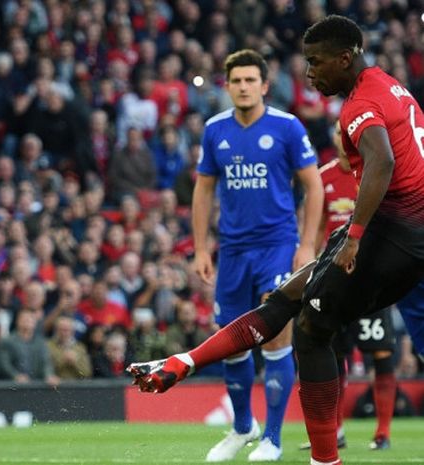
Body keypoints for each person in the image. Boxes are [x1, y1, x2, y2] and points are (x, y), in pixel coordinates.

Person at [129, 16, 424, 465]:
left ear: (345, 59)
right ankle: (183, 363)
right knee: (287, 298)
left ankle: (324, 459)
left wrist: (354, 237)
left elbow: (380, 161)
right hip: (400, 230)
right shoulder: (392, 87)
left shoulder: (359, 103)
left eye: (316, 63)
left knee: (310, 332)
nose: (308, 74)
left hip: (392, 231)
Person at [191, 48, 323, 462]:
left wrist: (305, 245)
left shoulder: (286, 127)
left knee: (275, 337)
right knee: (231, 343)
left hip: (277, 246)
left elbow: (313, 186)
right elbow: (203, 189)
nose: (244, 87)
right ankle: (242, 427)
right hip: (232, 250)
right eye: (236, 81)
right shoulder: (215, 130)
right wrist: (199, 247)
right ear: (227, 86)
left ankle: (273, 437)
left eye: (251, 80)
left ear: (264, 85)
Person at [299, 121, 397, 451]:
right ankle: (336, 429)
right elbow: (314, 231)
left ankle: (382, 433)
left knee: (381, 354)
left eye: (350, 136)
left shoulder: (376, 172)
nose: (346, 141)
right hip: (336, 279)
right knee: (332, 351)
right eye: (340, 136)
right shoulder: (323, 177)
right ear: (334, 139)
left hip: (372, 279)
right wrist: (310, 263)